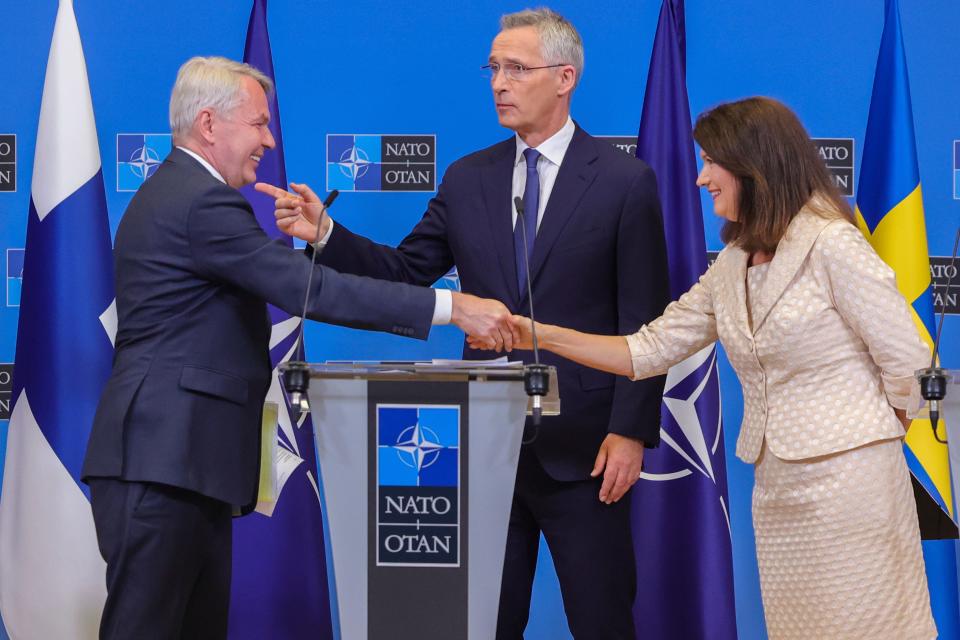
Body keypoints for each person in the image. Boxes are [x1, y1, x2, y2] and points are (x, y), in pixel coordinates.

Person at [257, 8, 669, 638]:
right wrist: (327, 234)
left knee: (602, 617)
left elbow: (644, 320)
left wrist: (631, 431)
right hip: (482, 445)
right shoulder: (468, 176)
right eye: (494, 68)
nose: (499, 82)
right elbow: (404, 271)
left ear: (565, 78)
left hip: (586, 449)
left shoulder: (624, 181)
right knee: (485, 621)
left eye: (516, 68)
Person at [80, 56, 515, 639]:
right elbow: (307, 287)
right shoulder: (197, 201)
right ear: (209, 124)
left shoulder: (183, 193)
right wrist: (450, 308)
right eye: (258, 123)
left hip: (184, 465)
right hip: (163, 466)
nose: (270, 138)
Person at [500, 96, 937, 639]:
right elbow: (646, 350)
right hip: (778, 484)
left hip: (853, 484)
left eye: (711, 161)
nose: (702, 176)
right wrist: (539, 334)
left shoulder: (832, 244)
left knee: (864, 626)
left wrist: (874, 434)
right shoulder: (733, 263)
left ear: (754, 165)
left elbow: (911, 360)